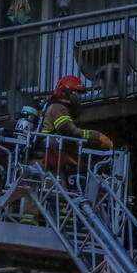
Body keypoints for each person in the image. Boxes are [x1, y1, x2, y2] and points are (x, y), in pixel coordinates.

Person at [19, 75, 113, 225]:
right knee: (57, 189)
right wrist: (97, 137)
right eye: (78, 93)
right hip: (47, 157)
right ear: (66, 92)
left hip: (46, 157)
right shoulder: (58, 108)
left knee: (47, 188)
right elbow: (69, 130)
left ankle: (53, 218)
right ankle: (56, 219)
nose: (80, 98)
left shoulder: (53, 107)